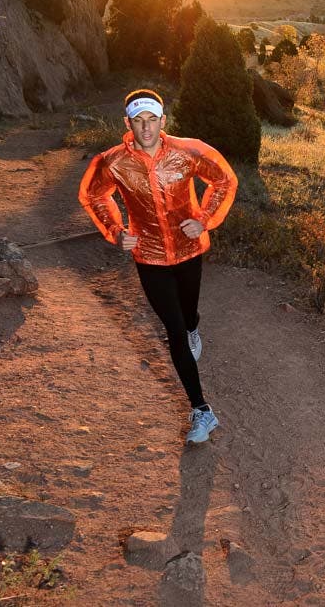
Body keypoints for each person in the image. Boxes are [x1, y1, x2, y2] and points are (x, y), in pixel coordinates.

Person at [78, 89, 238, 443]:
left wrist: (205, 219)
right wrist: (116, 232)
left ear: (163, 121)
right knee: (175, 330)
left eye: (152, 119)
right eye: (138, 120)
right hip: (149, 256)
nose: (146, 128)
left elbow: (225, 179)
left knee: (189, 313)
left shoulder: (188, 150)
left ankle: (194, 327)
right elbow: (92, 194)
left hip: (188, 248)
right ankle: (201, 410)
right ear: (128, 123)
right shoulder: (114, 161)